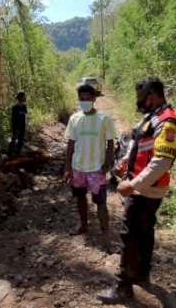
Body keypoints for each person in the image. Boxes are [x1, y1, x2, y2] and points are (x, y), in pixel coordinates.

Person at [96, 76, 176, 304]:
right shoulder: (151, 117)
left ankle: (122, 286)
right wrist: (125, 160)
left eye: (141, 98)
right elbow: (137, 144)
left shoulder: (167, 121)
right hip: (144, 186)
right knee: (145, 231)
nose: (139, 102)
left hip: (146, 190)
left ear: (152, 96)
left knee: (129, 235)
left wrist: (132, 185)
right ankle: (142, 275)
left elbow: (162, 161)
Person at [64, 83, 116, 248]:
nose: (84, 102)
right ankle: (83, 224)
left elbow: (110, 144)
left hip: (96, 169)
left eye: (87, 99)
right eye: (81, 99)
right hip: (78, 167)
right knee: (80, 198)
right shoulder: (74, 119)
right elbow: (70, 144)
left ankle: (106, 235)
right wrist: (67, 167)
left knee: (100, 202)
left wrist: (106, 164)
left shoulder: (104, 119)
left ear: (94, 99)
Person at [8, 91, 27, 156]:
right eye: (24, 96)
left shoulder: (24, 106)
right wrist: (12, 127)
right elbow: (12, 117)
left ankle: (18, 153)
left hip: (22, 126)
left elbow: (24, 114)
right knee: (14, 140)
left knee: (21, 141)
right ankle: (10, 154)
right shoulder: (15, 107)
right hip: (16, 126)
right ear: (21, 97)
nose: (25, 97)